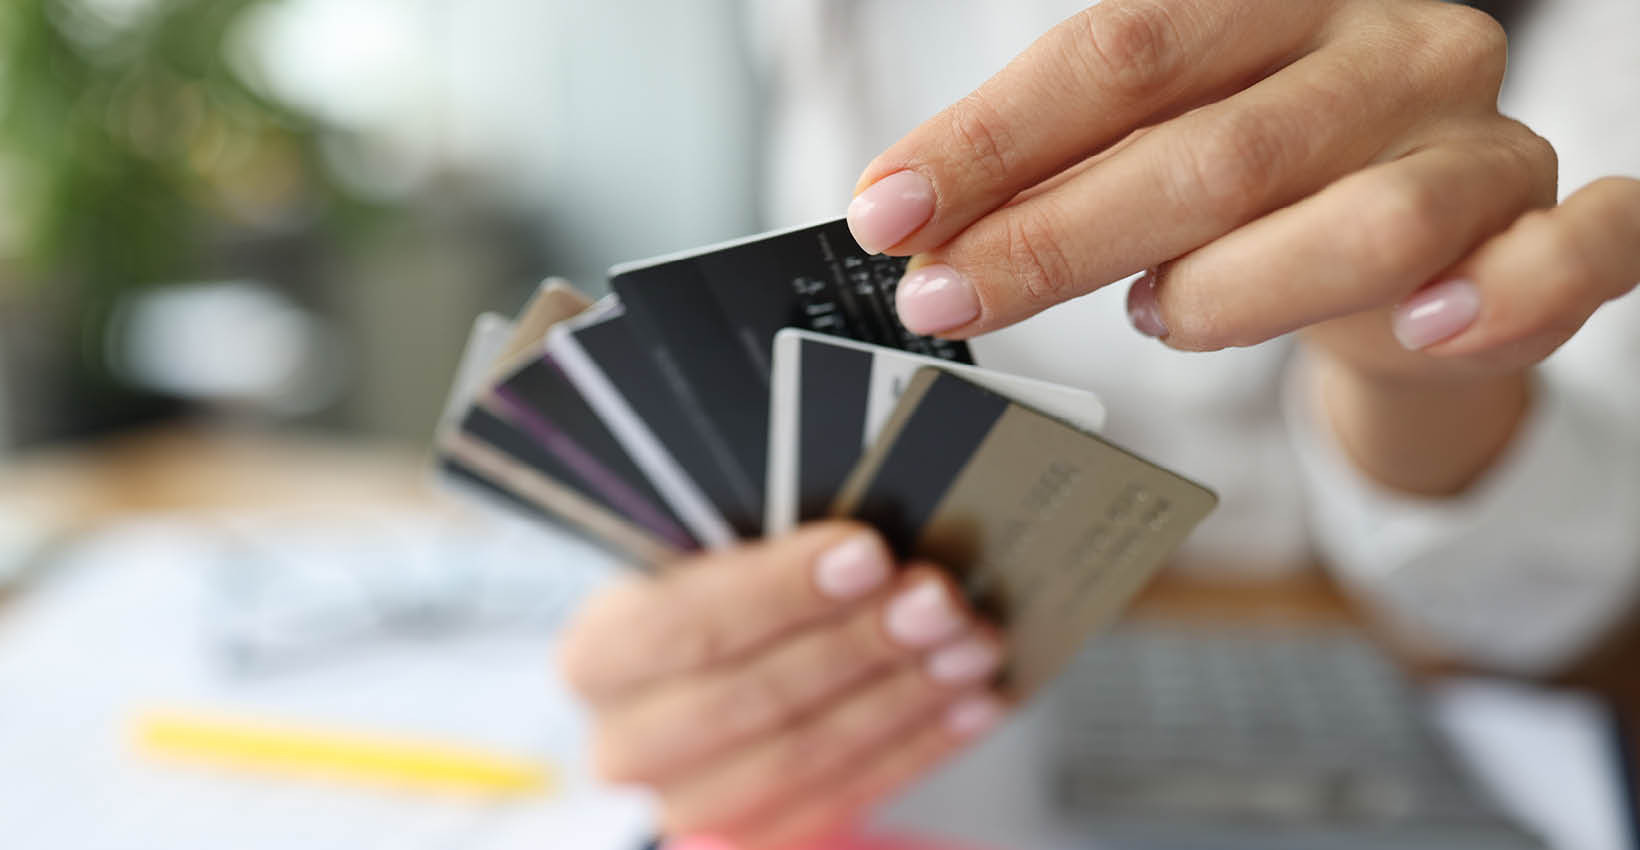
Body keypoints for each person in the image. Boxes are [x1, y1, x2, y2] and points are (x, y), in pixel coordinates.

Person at [558, 0, 1640, 847]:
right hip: (966, 711)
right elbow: (840, 381)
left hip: (1401, 708)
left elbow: (1557, 604)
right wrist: (740, 606)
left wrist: (1416, 372)